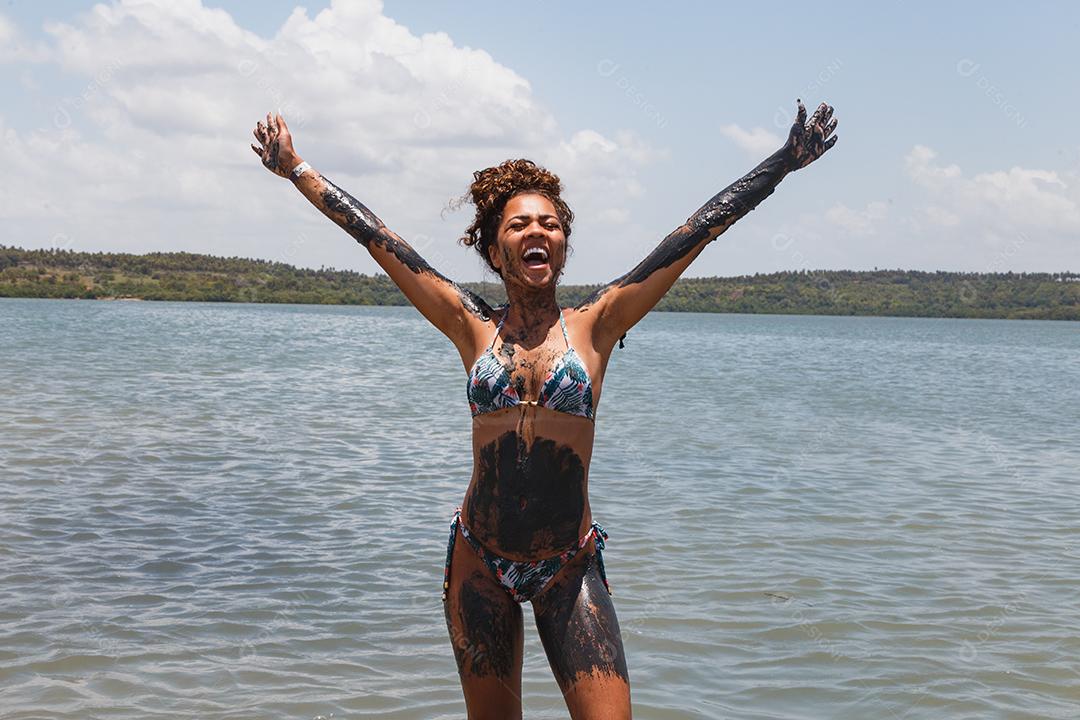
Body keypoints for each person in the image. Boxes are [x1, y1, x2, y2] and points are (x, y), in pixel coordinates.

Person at [251, 99, 837, 719]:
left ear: (562, 246)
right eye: (520, 224)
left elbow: (697, 230)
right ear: (494, 250)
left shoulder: (599, 324)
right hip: (480, 559)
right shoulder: (468, 324)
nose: (538, 231)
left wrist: (783, 162)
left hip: (568, 566)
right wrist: (297, 169)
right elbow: (377, 238)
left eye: (551, 224)